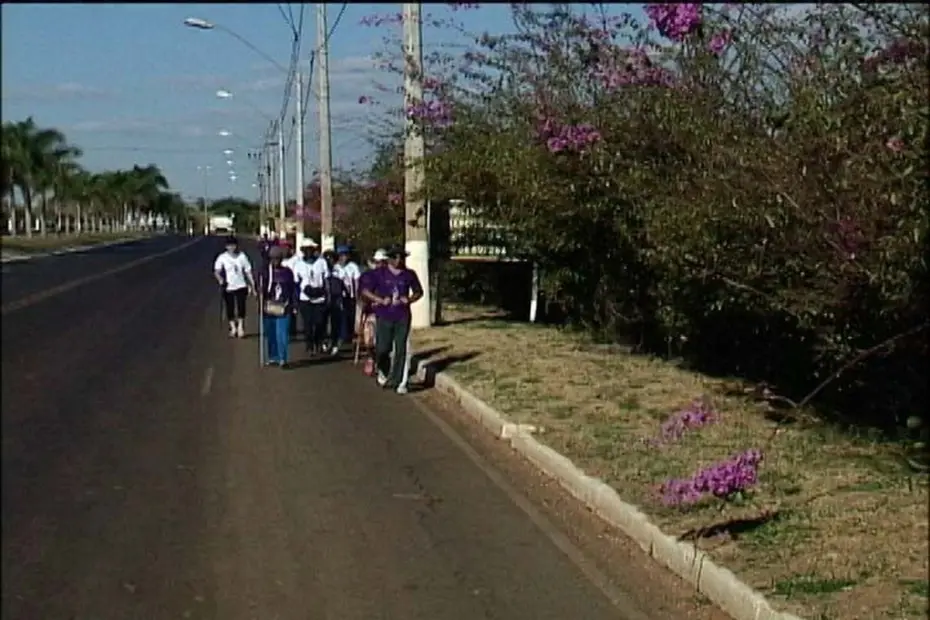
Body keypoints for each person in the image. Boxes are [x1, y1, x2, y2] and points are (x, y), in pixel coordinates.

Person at [360, 245, 423, 393]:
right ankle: (383, 369)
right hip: (384, 315)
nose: (398, 260)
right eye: (395, 257)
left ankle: (398, 380)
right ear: (388, 258)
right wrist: (380, 300)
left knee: (401, 348)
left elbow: (419, 292)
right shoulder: (379, 274)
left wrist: (409, 299)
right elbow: (365, 291)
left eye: (401, 257)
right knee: (383, 348)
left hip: (402, 316)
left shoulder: (409, 274)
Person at [259, 245, 297, 368]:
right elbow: (260, 289)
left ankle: (282, 358)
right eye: (273, 258)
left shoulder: (287, 273)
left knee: (282, 333)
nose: (275, 261)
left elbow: (293, 289)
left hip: (283, 307)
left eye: (277, 258)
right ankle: (273, 356)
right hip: (269, 307)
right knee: (270, 333)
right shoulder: (265, 272)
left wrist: (293, 304)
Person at [292, 238, 330, 355]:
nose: (309, 252)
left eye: (311, 249)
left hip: (320, 297)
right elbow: (296, 283)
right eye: (306, 250)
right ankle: (309, 345)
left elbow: (326, 279)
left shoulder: (322, 262)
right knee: (308, 324)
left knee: (319, 322)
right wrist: (296, 300)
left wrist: (327, 295)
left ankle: (318, 342)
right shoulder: (298, 265)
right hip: (305, 298)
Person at [213, 235, 255, 338]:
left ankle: (241, 327)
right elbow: (217, 271)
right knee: (230, 308)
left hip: (241, 285)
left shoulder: (242, 256)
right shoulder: (222, 257)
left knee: (241, 307)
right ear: (226, 247)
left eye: (233, 245)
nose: (232, 248)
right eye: (229, 246)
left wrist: (253, 285)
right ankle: (233, 327)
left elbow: (248, 271)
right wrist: (220, 280)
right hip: (228, 286)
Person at [333, 245, 361, 348]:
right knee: (341, 317)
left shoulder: (353, 266)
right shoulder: (335, 267)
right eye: (342, 255)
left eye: (346, 255)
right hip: (340, 297)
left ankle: (350, 335)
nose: (344, 257)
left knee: (351, 317)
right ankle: (341, 336)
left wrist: (357, 295)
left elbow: (356, 281)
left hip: (351, 296)